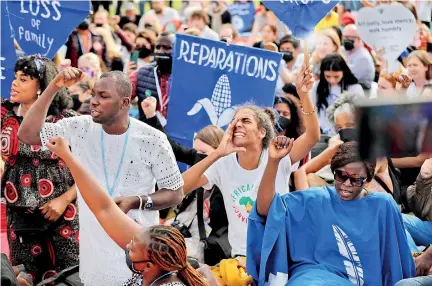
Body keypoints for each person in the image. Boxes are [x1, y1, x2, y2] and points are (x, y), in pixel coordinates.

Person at [17, 69, 184, 286]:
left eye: (103, 96)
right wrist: (54, 87)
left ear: (124, 103)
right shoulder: (79, 127)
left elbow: (175, 193)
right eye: (94, 94)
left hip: (136, 256)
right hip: (93, 258)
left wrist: (137, 201)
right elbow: (27, 134)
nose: (94, 101)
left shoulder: (153, 139)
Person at [176, 64, 320, 258]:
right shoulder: (223, 163)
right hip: (243, 259)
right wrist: (217, 153)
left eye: (246, 121)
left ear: (262, 132)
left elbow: (312, 136)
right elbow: (180, 188)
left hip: (281, 253)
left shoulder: (278, 156)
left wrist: (304, 96)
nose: (238, 125)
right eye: (234, 121)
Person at [43, 136, 211, 286]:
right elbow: (104, 208)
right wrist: (68, 157)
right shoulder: (149, 251)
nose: (127, 245)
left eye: (131, 249)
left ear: (148, 265)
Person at [248, 141, 415, 285]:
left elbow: (396, 262)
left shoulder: (383, 206)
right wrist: (273, 162)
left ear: (369, 180)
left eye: (356, 179)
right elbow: (266, 210)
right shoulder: (314, 199)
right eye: (341, 176)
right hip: (310, 278)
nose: (346, 184)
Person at [2, 56, 79, 283]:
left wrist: (65, 199)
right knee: (25, 276)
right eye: (15, 78)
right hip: (19, 215)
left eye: (23, 79)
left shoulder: (66, 120)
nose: (14, 83)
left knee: (69, 274)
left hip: (62, 214)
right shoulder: (5, 115)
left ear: (41, 88)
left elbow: (89, 169)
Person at [310, 53, 364, 135]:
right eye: (328, 76)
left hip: (347, 132)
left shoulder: (355, 88)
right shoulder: (317, 87)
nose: (332, 80)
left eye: (336, 76)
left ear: (344, 72)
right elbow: (312, 109)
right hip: (322, 132)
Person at [130, 32, 174, 120]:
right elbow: (120, 96)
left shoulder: (185, 78)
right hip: (148, 131)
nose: (160, 51)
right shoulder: (141, 73)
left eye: (167, 48)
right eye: (157, 47)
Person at [342, 24, 375, 90]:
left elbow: (350, 78)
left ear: (359, 38)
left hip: (361, 90)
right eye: (344, 37)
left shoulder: (363, 57)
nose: (346, 40)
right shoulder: (347, 50)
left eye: (349, 37)